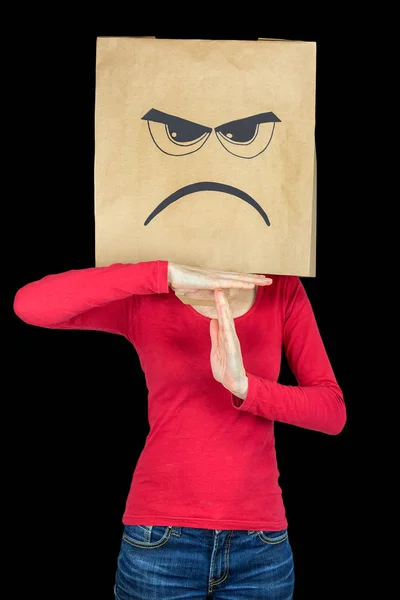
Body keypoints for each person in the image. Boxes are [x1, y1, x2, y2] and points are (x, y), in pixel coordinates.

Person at [13, 259, 346, 599]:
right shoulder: (148, 293)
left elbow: (332, 412)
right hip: (160, 540)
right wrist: (164, 274)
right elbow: (30, 305)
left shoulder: (279, 285)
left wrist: (244, 386)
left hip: (260, 547)